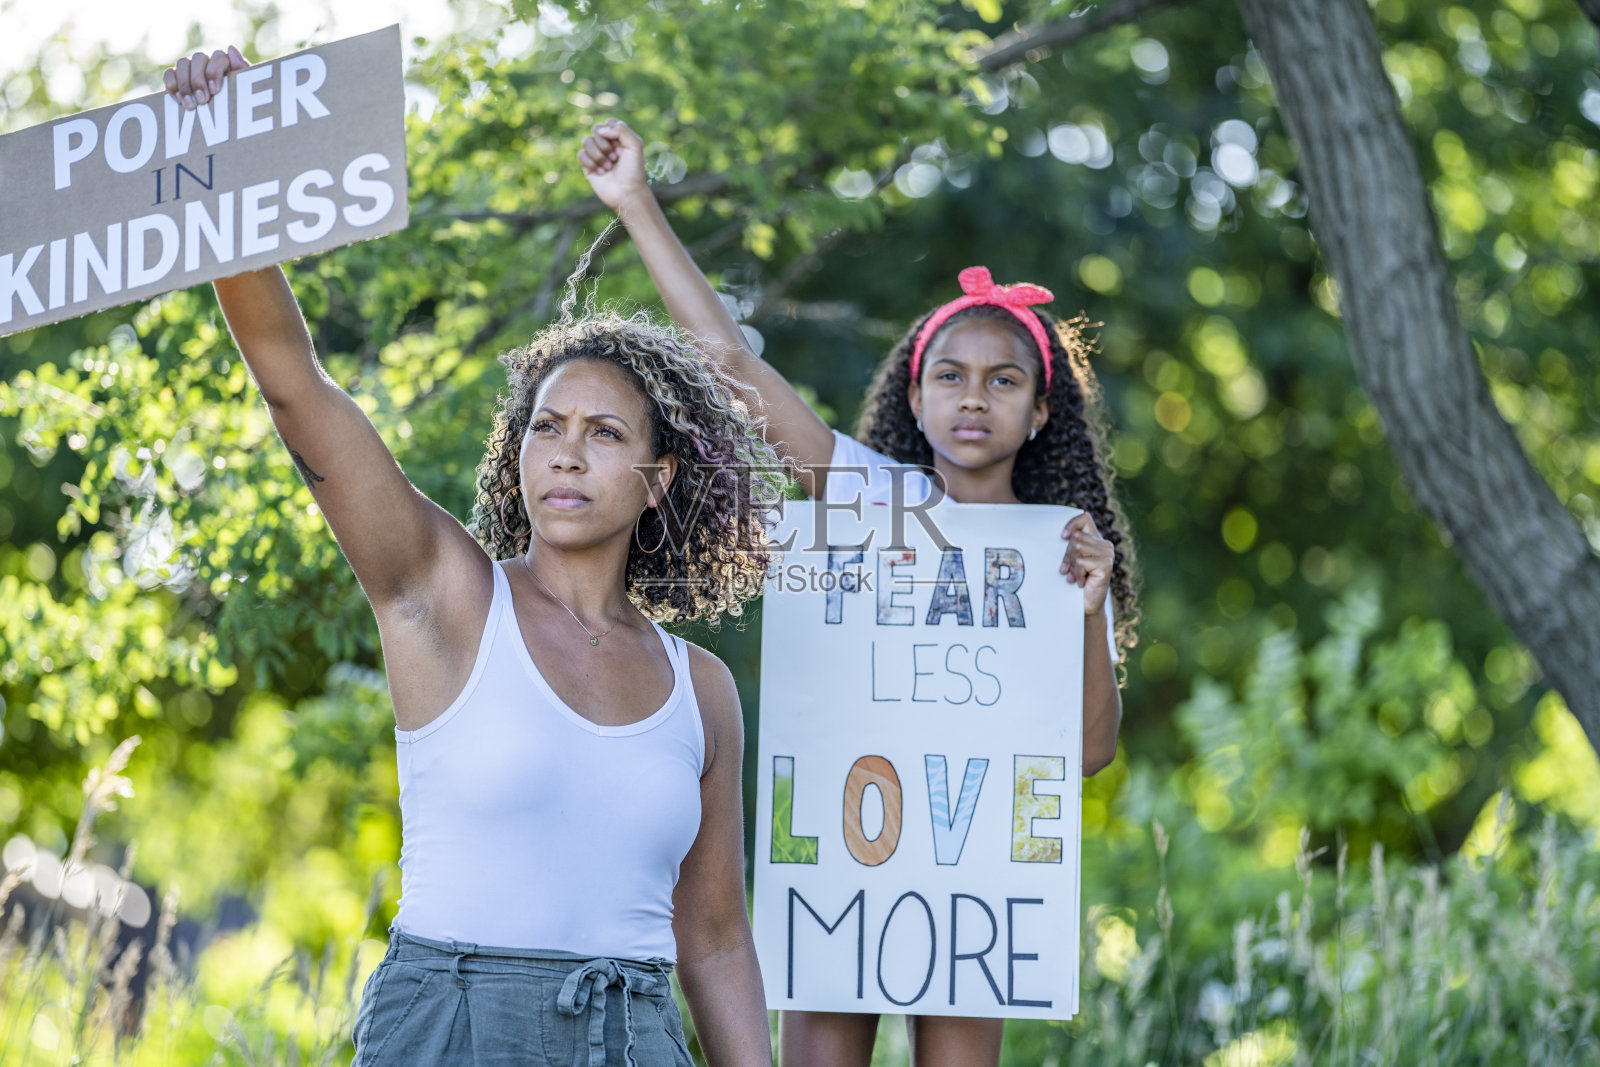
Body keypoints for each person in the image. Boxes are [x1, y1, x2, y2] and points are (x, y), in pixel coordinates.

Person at [165, 52, 781, 1067]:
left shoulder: (700, 687)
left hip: (633, 1032)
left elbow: (712, 937)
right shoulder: (444, 594)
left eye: (605, 433)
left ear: (659, 477)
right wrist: (215, 160)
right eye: (547, 426)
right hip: (448, 1023)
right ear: (519, 451)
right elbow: (295, 387)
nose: (568, 449)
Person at [579, 118, 1139, 1067]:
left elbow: (1087, 753)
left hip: (971, 890)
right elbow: (732, 367)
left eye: (1004, 381)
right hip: (848, 870)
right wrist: (635, 200)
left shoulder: (1061, 556)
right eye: (951, 377)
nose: (974, 397)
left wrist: (1087, 613)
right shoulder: (874, 499)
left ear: (1042, 410)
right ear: (914, 399)